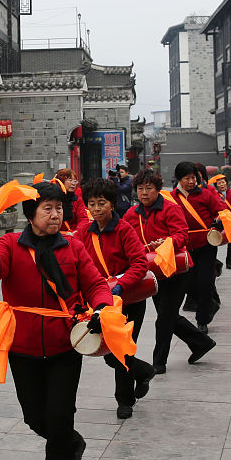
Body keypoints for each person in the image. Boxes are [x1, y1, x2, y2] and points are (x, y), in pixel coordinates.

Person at [0, 180, 112, 460]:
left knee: (59, 412)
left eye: (59, 208)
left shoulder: (73, 246)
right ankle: (72, 443)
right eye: (47, 209)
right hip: (22, 346)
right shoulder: (10, 244)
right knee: (35, 416)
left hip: (65, 345)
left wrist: (102, 309)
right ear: (31, 213)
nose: (55, 215)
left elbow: (95, 283)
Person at [124, 168, 215, 372]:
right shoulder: (131, 213)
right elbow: (127, 240)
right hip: (152, 271)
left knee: (164, 318)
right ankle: (201, 343)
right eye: (140, 189)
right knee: (169, 316)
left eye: (149, 188)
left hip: (175, 270)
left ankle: (159, 363)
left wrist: (166, 242)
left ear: (158, 189)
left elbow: (182, 236)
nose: (144, 193)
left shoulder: (170, 208)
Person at [80, 178, 155, 419]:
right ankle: (143, 371)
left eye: (101, 203)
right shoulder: (83, 232)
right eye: (91, 204)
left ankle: (125, 400)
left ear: (112, 204)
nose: (96, 209)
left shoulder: (124, 229)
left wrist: (120, 285)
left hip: (129, 299)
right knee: (109, 352)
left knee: (121, 349)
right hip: (100, 301)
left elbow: (140, 263)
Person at [165, 162, 225, 331]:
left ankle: (202, 320)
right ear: (179, 179)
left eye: (193, 178)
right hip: (183, 248)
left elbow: (222, 211)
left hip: (206, 245)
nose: (191, 182)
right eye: (187, 178)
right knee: (189, 284)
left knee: (206, 283)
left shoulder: (206, 195)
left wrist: (218, 222)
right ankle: (209, 306)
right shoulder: (171, 198)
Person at [52, 169, 90, 235]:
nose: (73, 183)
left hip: (74, 235)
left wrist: (77, 232)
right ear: (61, 181)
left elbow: (83, 218)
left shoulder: (77, 199)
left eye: (75, 181)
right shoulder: (52, 198)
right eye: (70, 180)